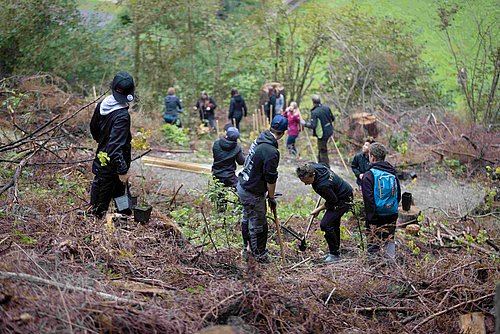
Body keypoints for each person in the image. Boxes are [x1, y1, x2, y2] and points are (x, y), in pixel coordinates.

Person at [237, 115, 288, 263]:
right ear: (283, 132)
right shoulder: (271, 151)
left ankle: (246, 249)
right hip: (252, 191)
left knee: (247, 218)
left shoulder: (260, 138)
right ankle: (259, 255)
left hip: (243, 185)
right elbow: (271, 178)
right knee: (258, 223)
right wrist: (271, 197)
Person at [89, 71, 134, 218]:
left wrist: (103, 144)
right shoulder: (122, 116)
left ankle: (123, 218)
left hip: (104, 161)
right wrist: (122, 170)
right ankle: (95, 233)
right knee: (98, 210)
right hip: (112, 167)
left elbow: (93, 129)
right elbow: (115, 148)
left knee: (121, 195)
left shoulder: (103, 104)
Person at [296, 162, 353, 263]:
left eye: (306, 181)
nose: (305, 184)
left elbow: (333, 201)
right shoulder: (314, 166)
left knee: (326, 224)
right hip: (341, 191)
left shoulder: (322, 186)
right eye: (302, 181)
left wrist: (318, 209)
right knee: (333, 223)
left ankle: (334, 255)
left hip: (344, 199)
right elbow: (325, 165)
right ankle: (335, 251)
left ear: (313, 175)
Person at [361, 142, 401, 260]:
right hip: (392, 214)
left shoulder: (369, 175)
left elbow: (368, 201)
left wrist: (371, 219)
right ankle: (391, 266)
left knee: (373, 243)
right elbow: (398, 194)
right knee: (389, 239)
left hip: (376, 216)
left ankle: (373, 267)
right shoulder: (392, 172)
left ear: (372, 157)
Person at [301, 95, 335, 167]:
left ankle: (325, 166)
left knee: (322, 150)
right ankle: (320, 164)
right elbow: (333, 118)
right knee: (321, 148)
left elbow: (313, 125)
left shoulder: (315, 112)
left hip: (322, 134)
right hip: (329, 131)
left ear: (313, 102)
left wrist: (304, 124)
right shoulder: (327, 108)